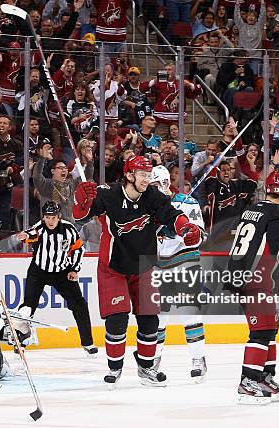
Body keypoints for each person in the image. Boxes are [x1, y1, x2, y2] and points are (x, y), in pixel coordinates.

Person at [73, 156, 201, 388]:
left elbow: (172, 216)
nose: (147, 179)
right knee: (117, 319)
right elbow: (80, 216)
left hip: (143, 266)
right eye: (143, 174)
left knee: (150, 319)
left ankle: (146, 366)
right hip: (113, 267)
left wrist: (185, 227)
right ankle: (115, 368)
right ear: (129, 175)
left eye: (148, 174)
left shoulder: (152, 197)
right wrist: (80, 199)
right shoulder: (109, 195)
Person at [226, 169, 279, 404]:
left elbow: (260, 243)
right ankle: (248, 382)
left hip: (242, 273)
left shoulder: (252, 209)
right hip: (256, 276)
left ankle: (264, 376)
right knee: (262, 330)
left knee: (269, 327)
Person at [15, 201, 97, 356]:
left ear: (59, 217)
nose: (50, 221)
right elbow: (31, 233)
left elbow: (79, 248)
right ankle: (21, 340)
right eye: (47, 217)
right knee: (27, 307)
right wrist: (24, 235)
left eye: (53, 217)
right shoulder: (39, 227)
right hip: (38, 272)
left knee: (79, 305)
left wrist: (74, 268)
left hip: (62, 272)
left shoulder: (69, 229)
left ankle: (88, 343)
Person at [149, 166, 208, 382]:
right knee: (157, 317)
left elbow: (200, 235)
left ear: (165, 184)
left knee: (188, 311)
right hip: (158, 264)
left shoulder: (187, 202)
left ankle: (198, 358)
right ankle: (153, 360)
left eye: (155, 185)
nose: (151, 189)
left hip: (185, 259)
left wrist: (193, 235)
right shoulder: (145, 206)